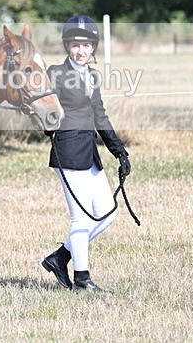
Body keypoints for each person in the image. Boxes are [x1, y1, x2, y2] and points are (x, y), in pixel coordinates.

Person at [41, 15, 132, 293]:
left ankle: (61, 257)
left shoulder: (92, 76)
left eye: (86, 45)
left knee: (107, 214)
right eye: (75, 45)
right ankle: (82, 280)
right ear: (67, 46)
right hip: (67, 149)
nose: (80, 51)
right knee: (80, 219)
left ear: (93, 48)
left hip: (89, 151)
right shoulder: (55, 72)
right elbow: (44, 107)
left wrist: (119, 151)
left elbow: (100, 116)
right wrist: (49, 124)